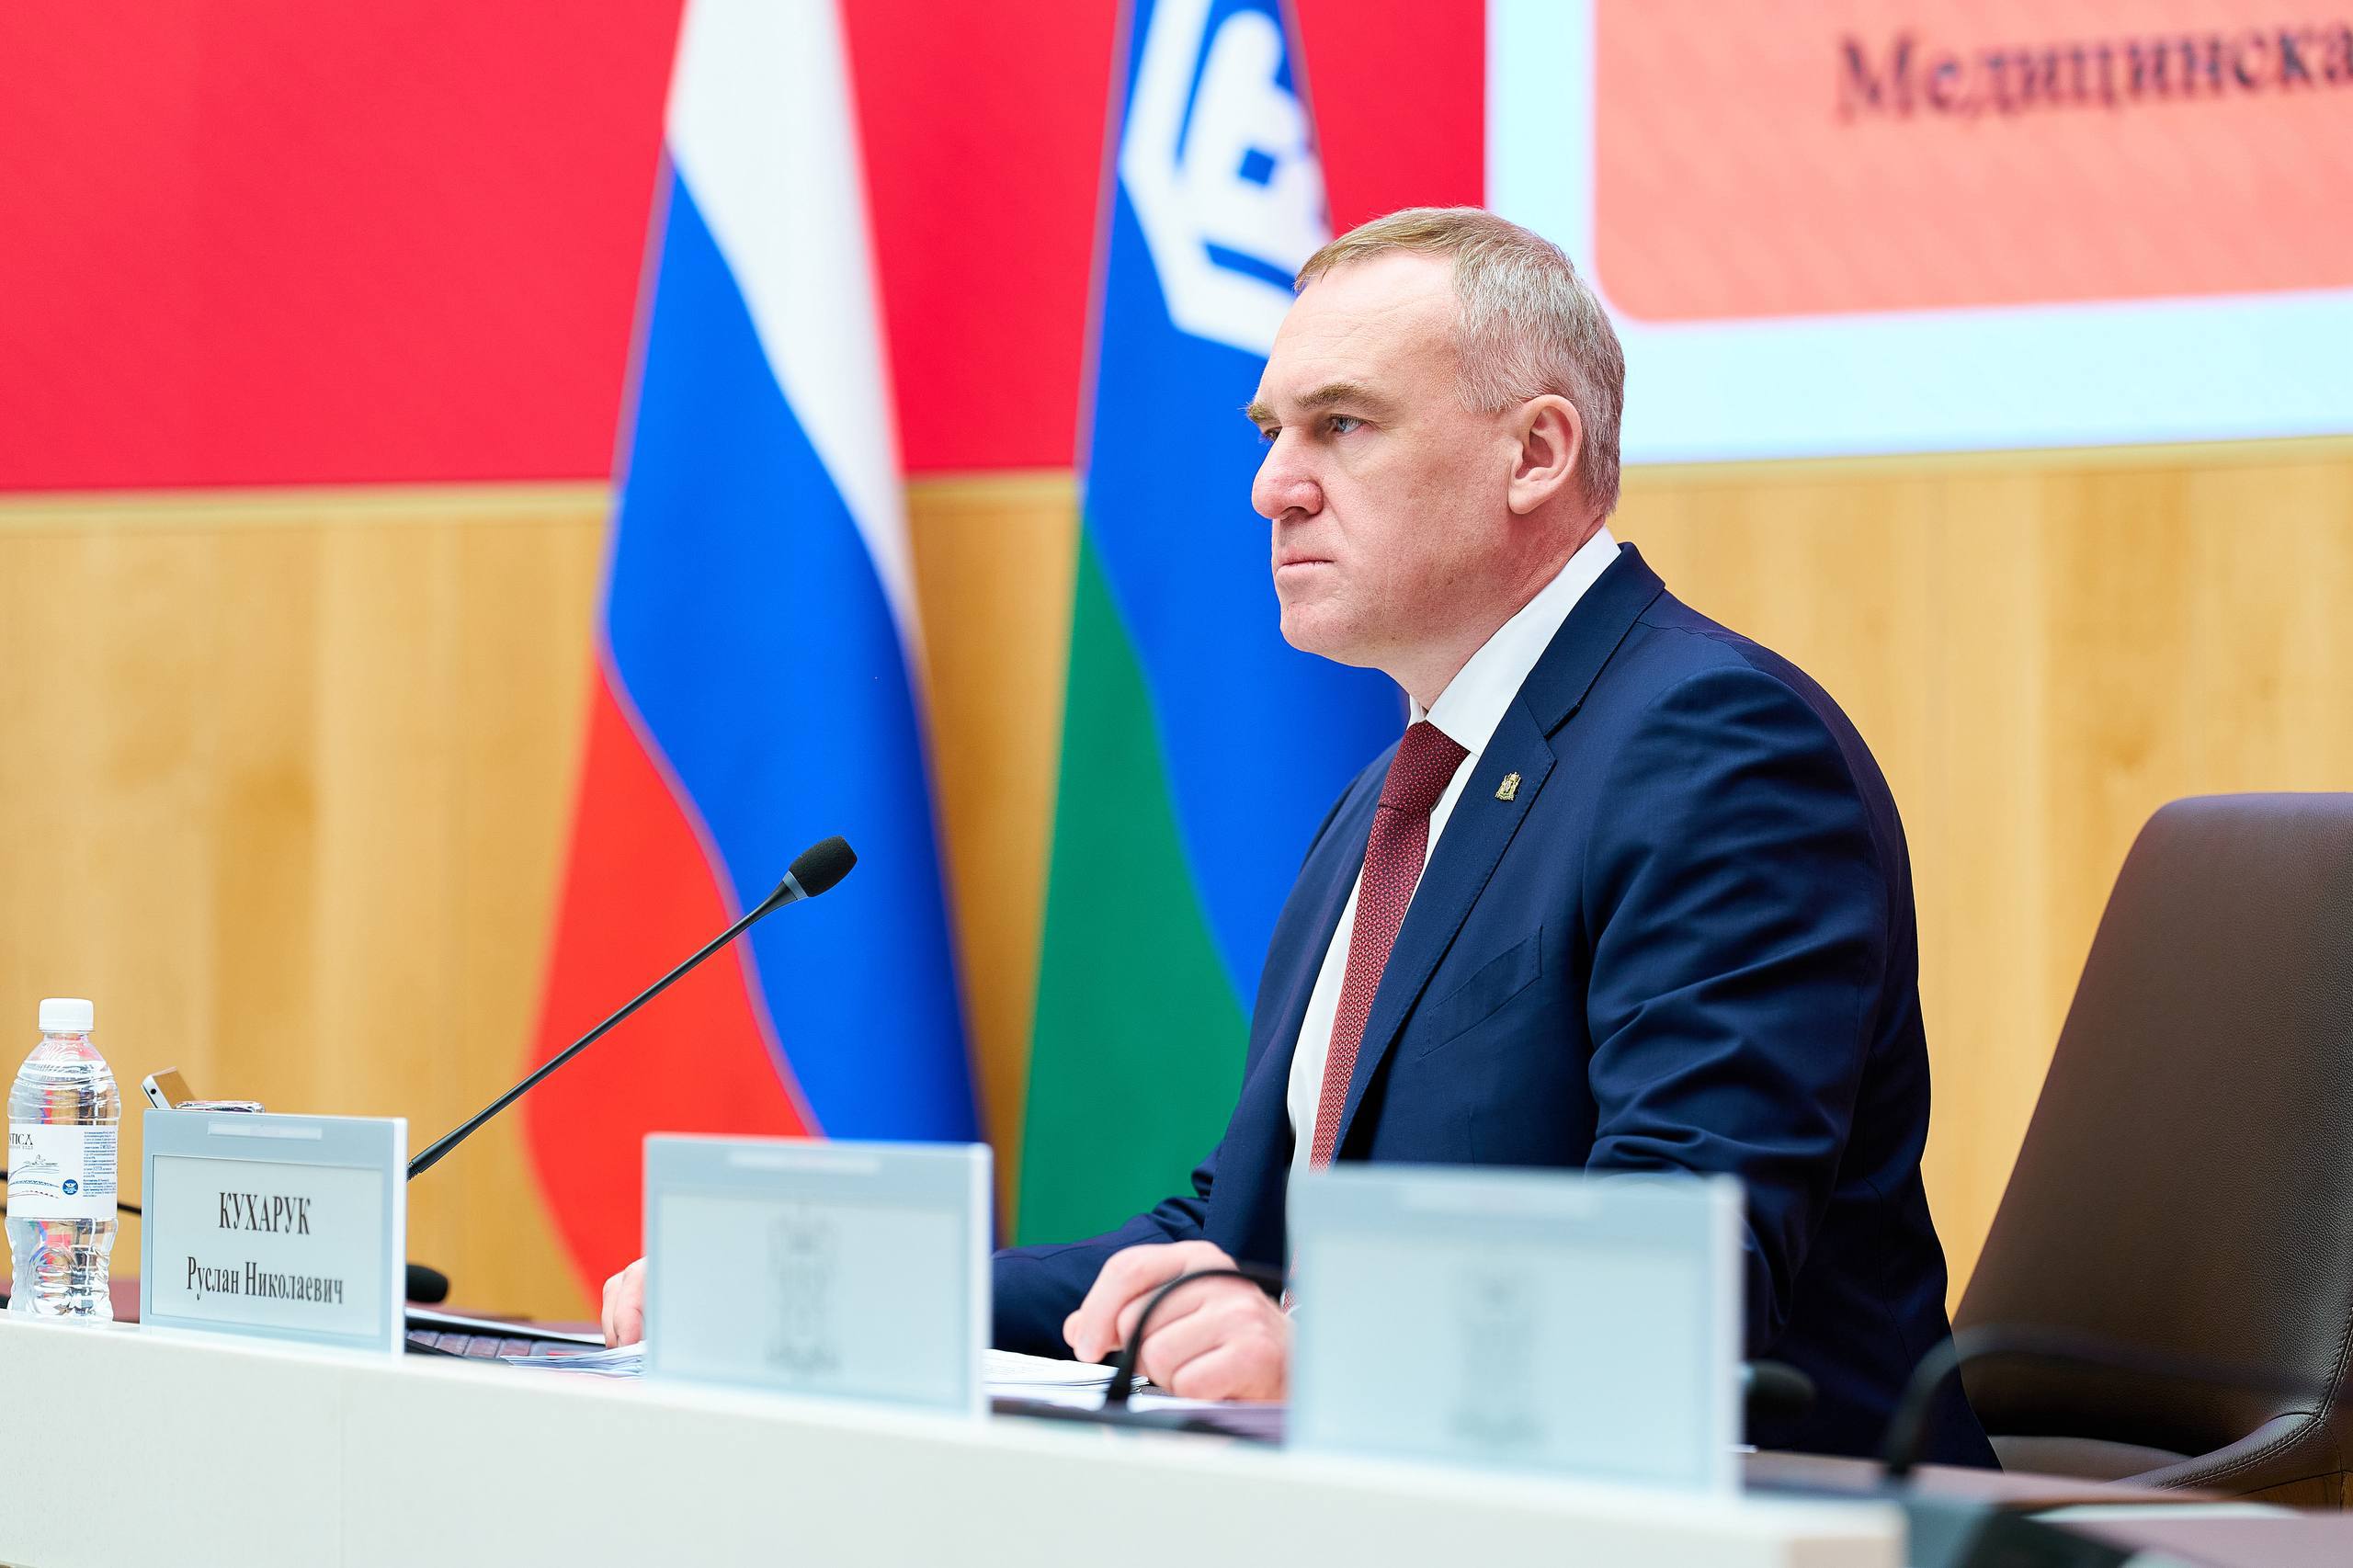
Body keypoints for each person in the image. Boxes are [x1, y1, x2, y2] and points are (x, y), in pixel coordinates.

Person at [605, 207, 1994, 1465]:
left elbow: (1682, 1264)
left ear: (1537, 453)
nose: (1273, 486)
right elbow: (1235, 1232)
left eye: (1342, 426)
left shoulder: (1715, 748)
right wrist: (839, 1289)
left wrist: (1318, 1351)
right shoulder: (1399, 791)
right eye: (1271, 431)